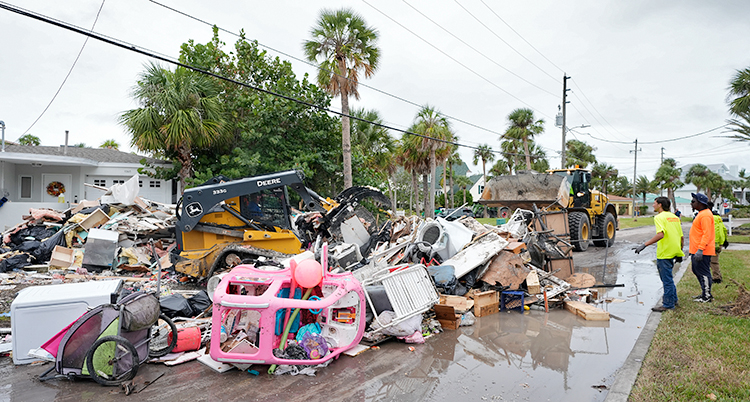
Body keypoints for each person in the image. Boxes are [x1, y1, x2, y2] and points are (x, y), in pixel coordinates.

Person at [633, 197, 684, 312]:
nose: (653, 205)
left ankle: (668, 304)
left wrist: (644, 245)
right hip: (674, 251)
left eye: (655, 203)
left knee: (666, 280)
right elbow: (681, 236)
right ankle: (673, 299)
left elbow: (660, 235)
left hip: (665, 252)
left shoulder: (659, 217)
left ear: (660, 205)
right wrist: (680, 251)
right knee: (669, 278)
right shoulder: (675, 218)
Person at [689, 193, 715, 302]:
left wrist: (700, 249)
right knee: (696, 270)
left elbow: (706, 234)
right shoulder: (701, 214)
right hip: (696, 250)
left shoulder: (705, 215)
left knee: (703, 272)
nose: (691, 203)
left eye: (693, 201)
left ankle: (707, 296)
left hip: (702, 250)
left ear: (700, 203)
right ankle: (704, 292)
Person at [706, 201, 729, 283]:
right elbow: (724, 229)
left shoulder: (710, 218)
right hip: (719, 243)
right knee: (713, 261)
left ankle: (717, 278)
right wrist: (725, 240)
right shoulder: (718, 218)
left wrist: (713, 243)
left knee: (713, 262)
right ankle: (717, 276)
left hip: (713, 244)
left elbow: (713, 231)